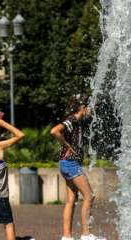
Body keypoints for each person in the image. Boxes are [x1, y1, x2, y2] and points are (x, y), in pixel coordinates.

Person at [50, 94, 101, 240]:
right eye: (89, 107)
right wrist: (66, 145)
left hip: (66, 163)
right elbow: (54, 131)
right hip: (70, 163)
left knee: (71, 200)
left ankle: (67, 236)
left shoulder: (77, 121)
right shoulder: (73, 119)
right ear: (83, 108)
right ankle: (86, 234)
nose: (91, 110)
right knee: (89, 196)